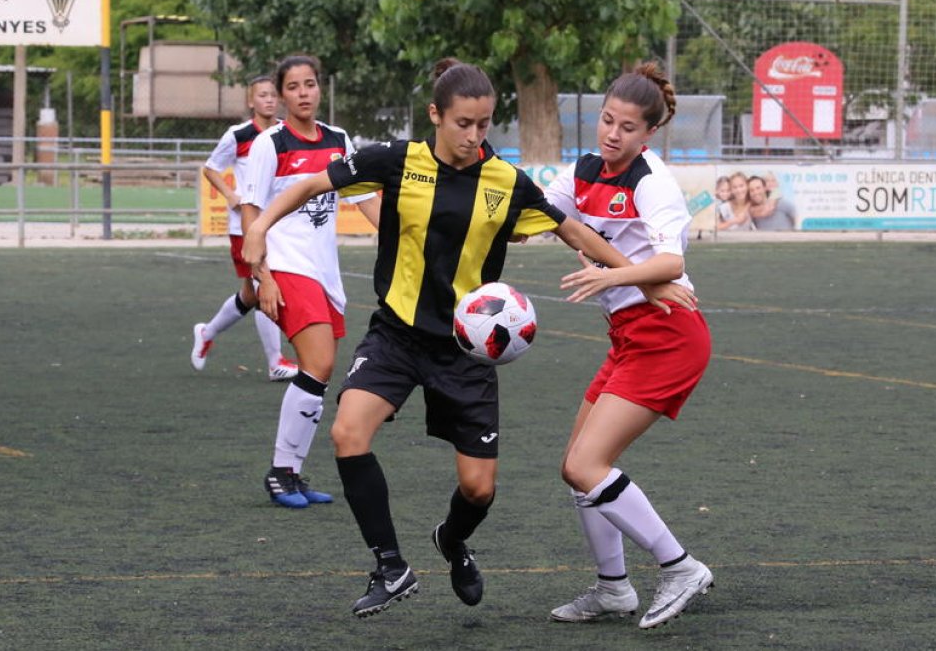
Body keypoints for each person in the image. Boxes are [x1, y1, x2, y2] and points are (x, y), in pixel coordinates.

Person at [243, 58, 685, 618]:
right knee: (348, 433)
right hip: (396, 336)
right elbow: (312, 183)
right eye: (463, 124)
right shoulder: (395, 161)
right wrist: (258, 227)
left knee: (478, 490)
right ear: (435, 115)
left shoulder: (505, 181)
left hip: (467, 350)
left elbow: (569, 228)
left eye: (484, 125)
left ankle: (451, 541)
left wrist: (646, 282)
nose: (475, 137)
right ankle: (390, 566)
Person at [543, 62, 715, 630]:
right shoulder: (587, 168)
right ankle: (613, 589)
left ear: (649, 134)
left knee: (587, 463)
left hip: (668, 336)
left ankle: (681, 567)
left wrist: (610, 275)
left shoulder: (652, 180)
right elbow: (546, 213)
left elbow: (672, 263)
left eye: (627, 127)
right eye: (607, 120)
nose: (612, 134)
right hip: (628, 337)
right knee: (578, 467)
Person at [243, 56, 380, 509]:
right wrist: (261, 275)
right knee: (318, 362)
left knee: (316, 372)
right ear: (281, 95)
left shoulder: (339, 140)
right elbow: (252, 214)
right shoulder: (270, 144)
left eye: (310, 84)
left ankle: (292, 472)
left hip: (325, 273)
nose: (304, 92)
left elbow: (362, 198)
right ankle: (280, 472)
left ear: (320, 89)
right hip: (285, 266)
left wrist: (403, 239)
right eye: (294, 86)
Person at [192, 76, 299, 381]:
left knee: (252, 294)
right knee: (264, 284)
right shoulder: (238, 135)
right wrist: (230, 196)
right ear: (251, 102)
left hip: (276, 224)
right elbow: (210, 168)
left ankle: (207, 332)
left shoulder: (284, 132)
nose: (268, 100)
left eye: (272, 95)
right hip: (246, 225)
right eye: (261, 96)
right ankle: (276, 361)